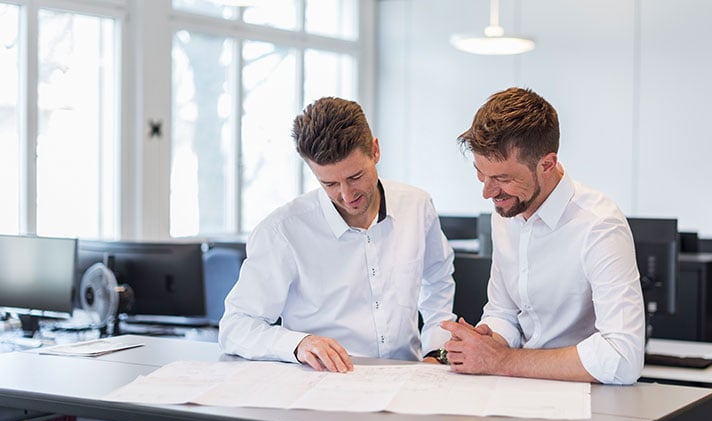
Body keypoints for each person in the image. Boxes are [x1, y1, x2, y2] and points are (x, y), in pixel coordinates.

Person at [219, 97, 456, 372]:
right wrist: (298, 344)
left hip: (409, 377)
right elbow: (236, 325)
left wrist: (435, 351)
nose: (346, 195)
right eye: (329, 183)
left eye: (355, 176)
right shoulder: (282, 231)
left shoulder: (417, 206)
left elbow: (437, 283)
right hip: (324, 384)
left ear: (375, 151)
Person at [441, 87, 645, 385]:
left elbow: (622, 358)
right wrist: (489, 339)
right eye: (481, 173)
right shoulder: (508, 212)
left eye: (502, 178)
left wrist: (500, 360)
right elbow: (504, 311)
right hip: (517, 388)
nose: (487, 191)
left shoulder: (599, 225)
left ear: (547, 164)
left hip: (587, 401)